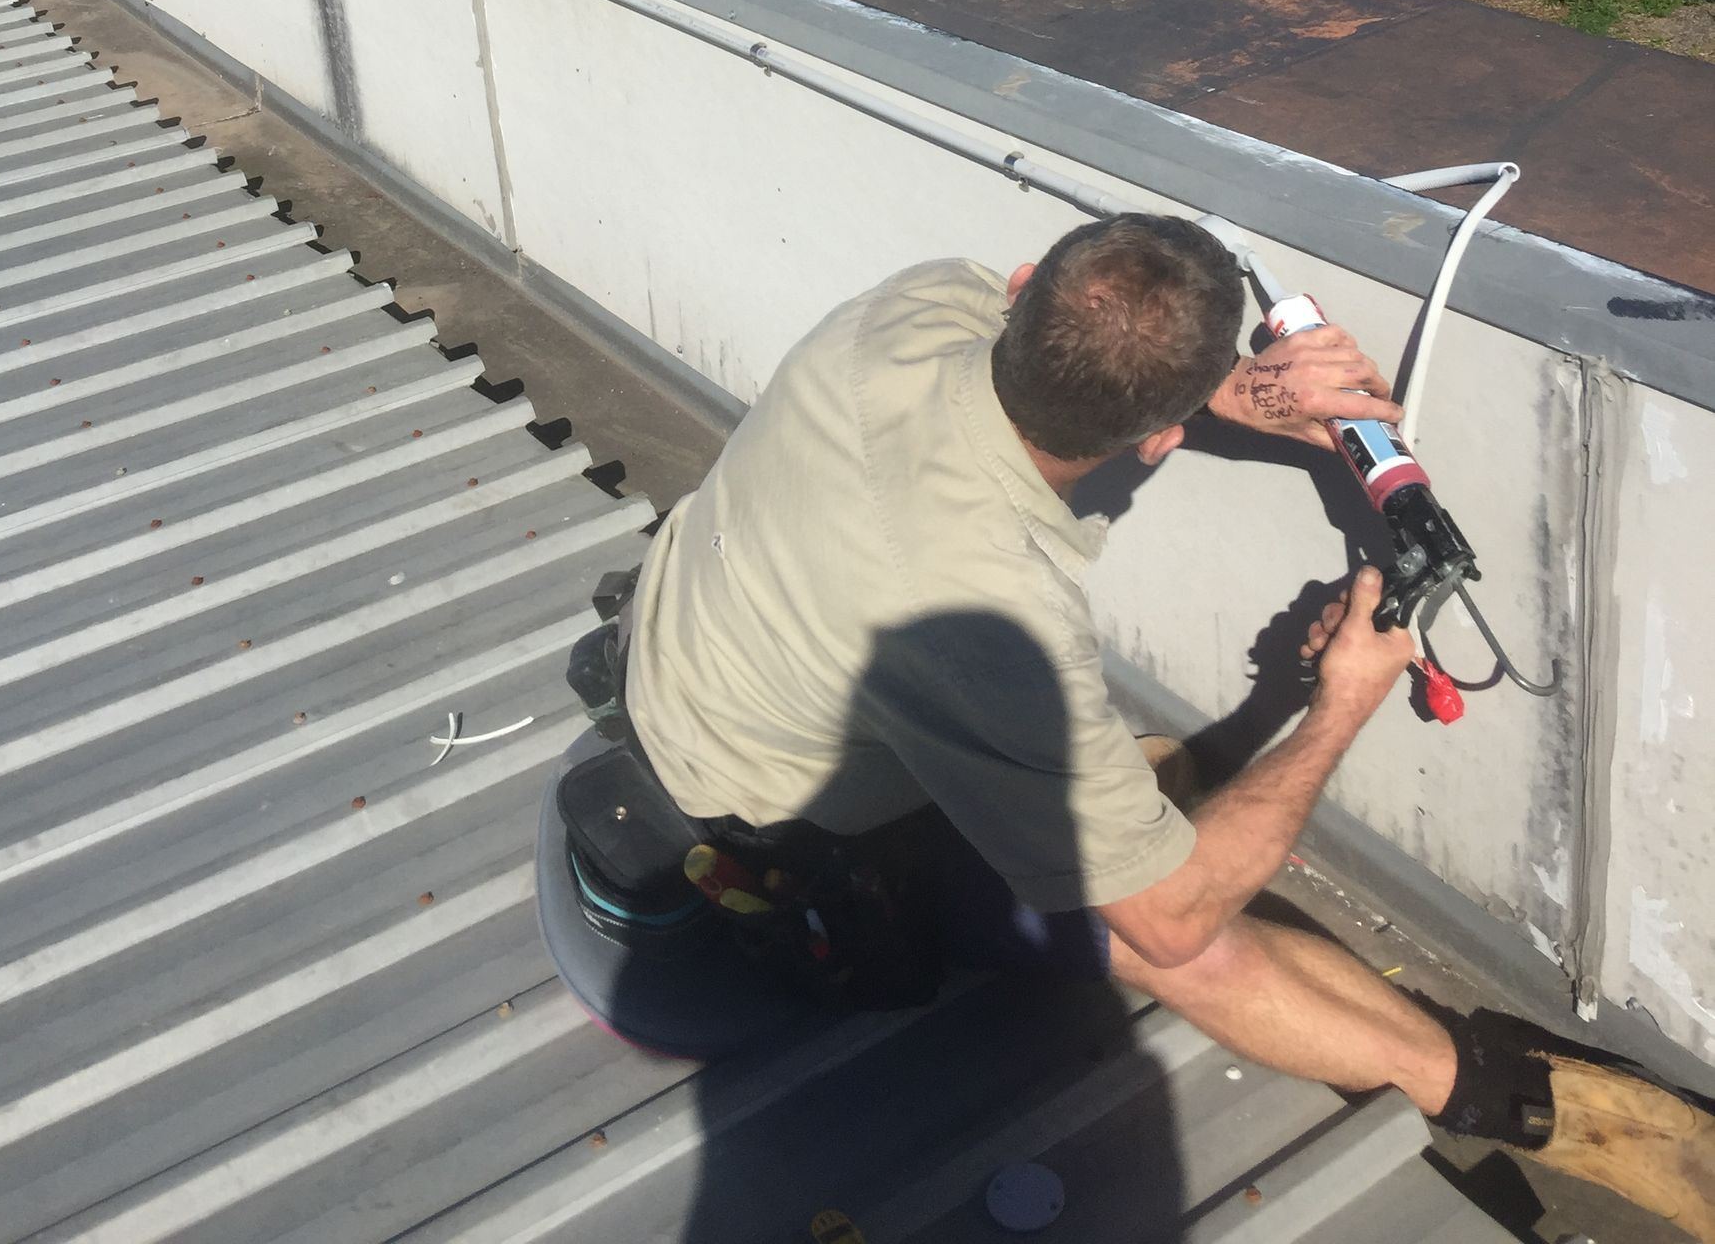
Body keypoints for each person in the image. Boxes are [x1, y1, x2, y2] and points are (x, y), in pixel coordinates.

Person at [626, 218, 1714, 1240]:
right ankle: (1514, 1103)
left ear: (1020, 292)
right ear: (1157, 440)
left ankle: (1136, 826)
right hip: (771, 809)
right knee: (1169, 931)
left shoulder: (911, 309)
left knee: (1134, 824)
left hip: (691, 645)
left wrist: (1229, 395)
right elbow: (1176, 923)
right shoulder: (986, 615)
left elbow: (1055, 348)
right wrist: (1343, 699)